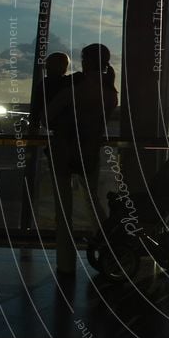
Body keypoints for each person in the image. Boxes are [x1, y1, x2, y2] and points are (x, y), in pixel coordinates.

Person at [46, 44, 118, 276]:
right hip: (89, 152)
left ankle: (65, 263)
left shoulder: (76, 87)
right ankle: (112, 248)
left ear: (86, 61)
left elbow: (49, 116)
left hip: (64, 150)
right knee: (93, 204)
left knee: (63, 209)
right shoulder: (110, 92)